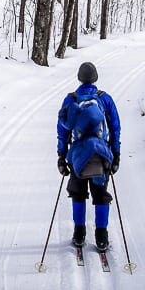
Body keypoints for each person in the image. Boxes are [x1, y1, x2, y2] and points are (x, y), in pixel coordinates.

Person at [57, 61, 121, 252]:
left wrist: (61, 156)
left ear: (79, 78)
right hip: (100, 154)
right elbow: (115, 127)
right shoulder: (105, 99)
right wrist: (115, 155)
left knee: (78, 193)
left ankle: (79, 233)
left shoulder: (71, 100)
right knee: (100, 195)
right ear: (95, 78)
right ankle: (101, 237)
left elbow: (62, 131)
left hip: (77, 156)